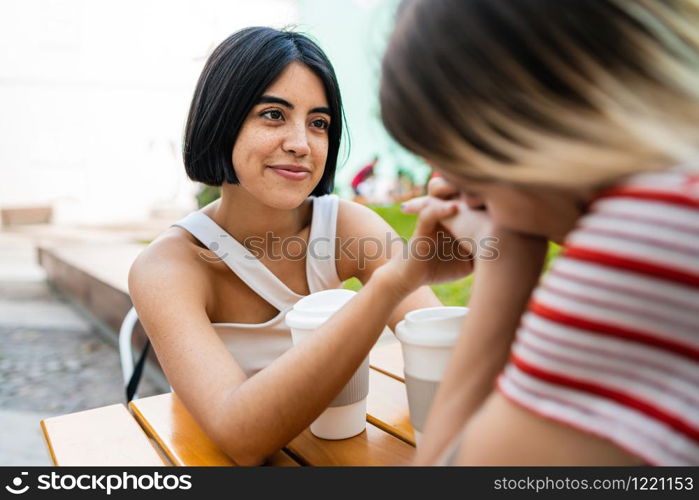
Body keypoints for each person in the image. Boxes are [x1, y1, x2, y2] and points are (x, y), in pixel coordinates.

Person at [355, 0, 699, 465]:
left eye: (458, 165)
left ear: (512, 130)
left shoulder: (646, 233)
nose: (466, 198)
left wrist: (504, 256)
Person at [128, 27, 441, 466]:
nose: (300, 144)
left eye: (318, 123)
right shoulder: (168, 267)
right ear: (222, 119)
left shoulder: (347, 227)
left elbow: (444, 346)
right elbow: (242, 440)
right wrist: (390, 285)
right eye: (273, 115)